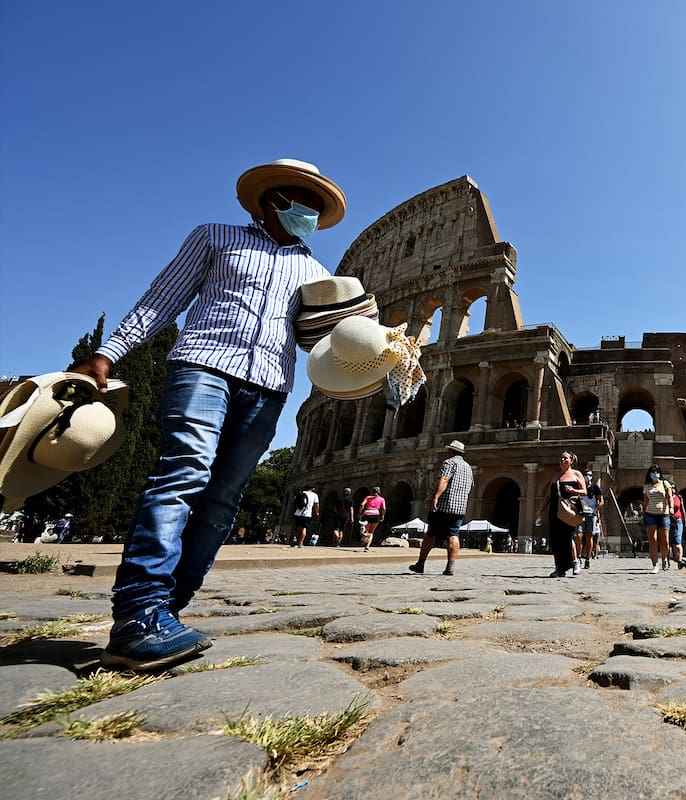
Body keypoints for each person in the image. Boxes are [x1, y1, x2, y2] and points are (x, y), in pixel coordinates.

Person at [70, 158, 346, 670]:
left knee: (222, 500)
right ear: (272, 199)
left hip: (269, 385)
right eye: (301, 199)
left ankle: (168, 611)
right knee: (184, 473)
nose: (308, 211)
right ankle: (137, 613)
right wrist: (108, 352)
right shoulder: (215, 236)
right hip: (203, 363)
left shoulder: (316, 274)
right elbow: (164, 298)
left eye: (316, 204)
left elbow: (318, 343)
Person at [410, 440, 474, 576]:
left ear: (450, 451)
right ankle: (450, 567)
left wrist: (435, 497)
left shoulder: (449, 463)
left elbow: (444, 479)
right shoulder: (468, 467)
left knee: (431, 533)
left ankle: (420, 564)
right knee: (453, 534)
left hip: (444, 505)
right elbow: (470, 487)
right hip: (459, 507)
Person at [536, 451, 587, 577]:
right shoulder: (556, 476)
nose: (562, 460)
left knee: (568, 536)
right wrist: (540, 509)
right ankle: (560, 568)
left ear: (571, 461)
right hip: (554, 510)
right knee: (556, 539)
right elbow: (548, 495)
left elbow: (584, 491)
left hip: (567, 510)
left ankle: (575, 562)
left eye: (565, 458)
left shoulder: (576, 474)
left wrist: (573, 490)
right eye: (561, 458)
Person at [641, 464, 673, 574]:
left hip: (664, 515)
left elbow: (669, 496)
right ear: (649, 474)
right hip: (650, 515)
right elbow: (645, 502)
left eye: (657, 471)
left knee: (665, 541)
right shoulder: (647, 487)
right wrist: (643, 515)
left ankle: (664, 558)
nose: (655, 474)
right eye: (653, 472)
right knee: (653, 540)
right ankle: (655, 565)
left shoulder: (665, 483)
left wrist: (671, 507)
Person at [576, 468, 604, 569]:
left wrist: (595, 511)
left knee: (589, 536)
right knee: (578, 535)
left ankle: (587, 558)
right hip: (580, 514)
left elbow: (601, 501)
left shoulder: (595, 487)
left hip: (591, 514)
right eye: (586, 474)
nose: (588, 477)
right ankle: (578, 557)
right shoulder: (579, 486)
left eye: (590, 475)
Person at [359, 487, 387, 552]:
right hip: (376, 514)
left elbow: (362, 504)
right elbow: (384, 508)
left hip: (367, 514)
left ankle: (363, 534)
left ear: (372, 491)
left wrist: (360, 513)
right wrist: (382, 515)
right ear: (379, 492)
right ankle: (367, 547)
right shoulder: (381, 499)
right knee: (371, 532)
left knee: (366, 531)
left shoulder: (368, 497)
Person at [666, 481, 686, 568]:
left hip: (678, 521)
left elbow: (682, 510)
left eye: (673, 487)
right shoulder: (665, 498)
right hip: (667, 520)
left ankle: (680, 561)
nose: (672, 489)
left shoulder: (679, 497)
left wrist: (685, 521)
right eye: (671, 488)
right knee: (668, 543)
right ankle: (667, 562)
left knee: (678, 541)